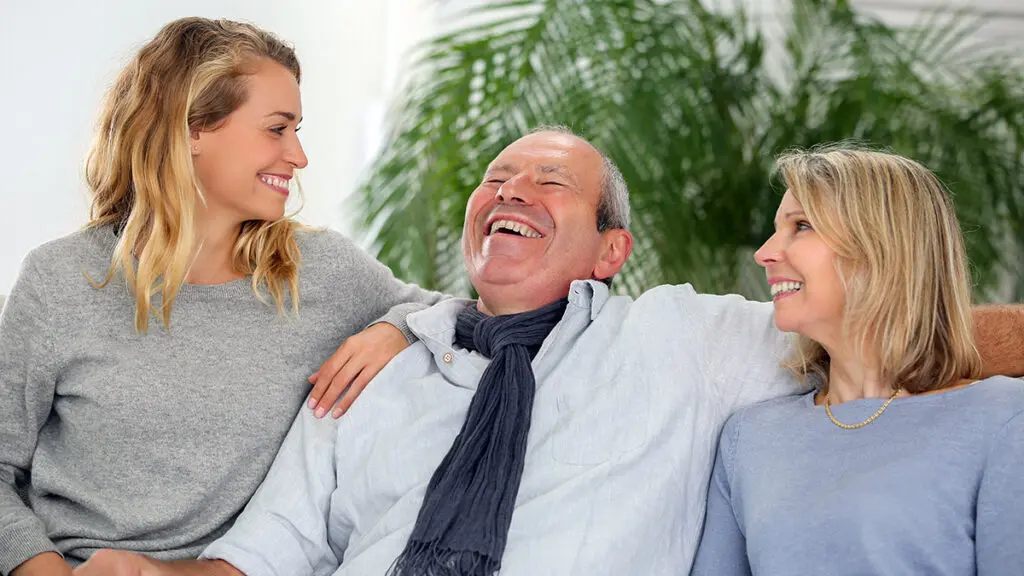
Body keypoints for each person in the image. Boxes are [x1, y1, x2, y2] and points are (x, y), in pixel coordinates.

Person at [74, 130, 1024, 576]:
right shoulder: (375, 368)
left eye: (550, 180)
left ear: (613, 252)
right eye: (496, 177)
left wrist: (958, 347)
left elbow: (879, 323)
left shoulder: (678, 340)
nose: (511, 188)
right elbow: (270, 549)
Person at [0, 17, 445, 576]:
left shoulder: (322, 272)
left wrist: (395, 328)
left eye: (297, 130)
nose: (299, 156)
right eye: (278, 129)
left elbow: (459, 314)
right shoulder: (59, 281)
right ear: (191, 129)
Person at [690, 148, 1024, 575]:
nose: (766, 252)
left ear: (881, 247)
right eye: (778, 229)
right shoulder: (747, 437)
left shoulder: (1003, 420)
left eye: (802, 226)